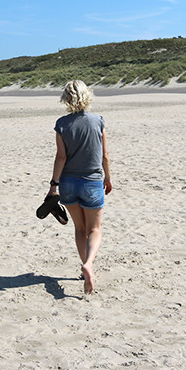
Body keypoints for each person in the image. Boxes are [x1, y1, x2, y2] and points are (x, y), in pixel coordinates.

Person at [48, 80, 112, 294]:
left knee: (79, 228)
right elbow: (104, 155)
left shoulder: (62, 124)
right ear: (87, 96)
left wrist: (53, 185)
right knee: (95, 229)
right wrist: (108, 178)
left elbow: (61, 157)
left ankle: (84, 264)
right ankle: (89, 264)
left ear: (66, 99)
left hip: (68, 183)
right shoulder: (98, 121)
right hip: (92, 181)